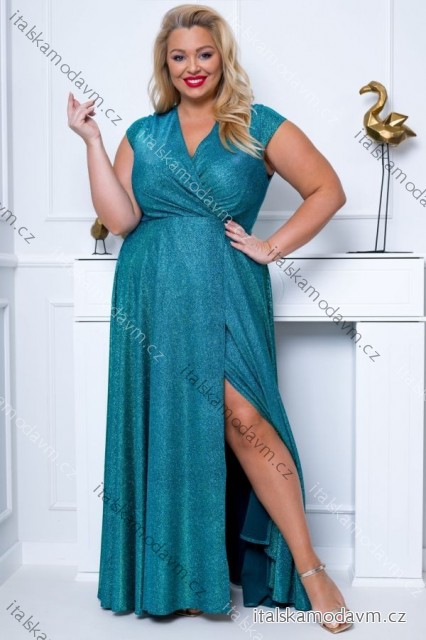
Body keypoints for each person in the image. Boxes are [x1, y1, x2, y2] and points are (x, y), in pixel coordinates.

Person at [68, 3, 351, 633]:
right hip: (150, 292)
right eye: (179, 56)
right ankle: (185, 577)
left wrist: (272, 246)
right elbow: (121, 219)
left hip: (226, 287)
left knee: (244, 417)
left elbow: (328, 189)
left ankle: (310, 567)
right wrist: (92, 142)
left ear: (222, 58)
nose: (192, 66)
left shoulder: (258, 125)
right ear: (165, 65)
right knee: (170, 425)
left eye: (203, 53)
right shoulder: (143, 133)